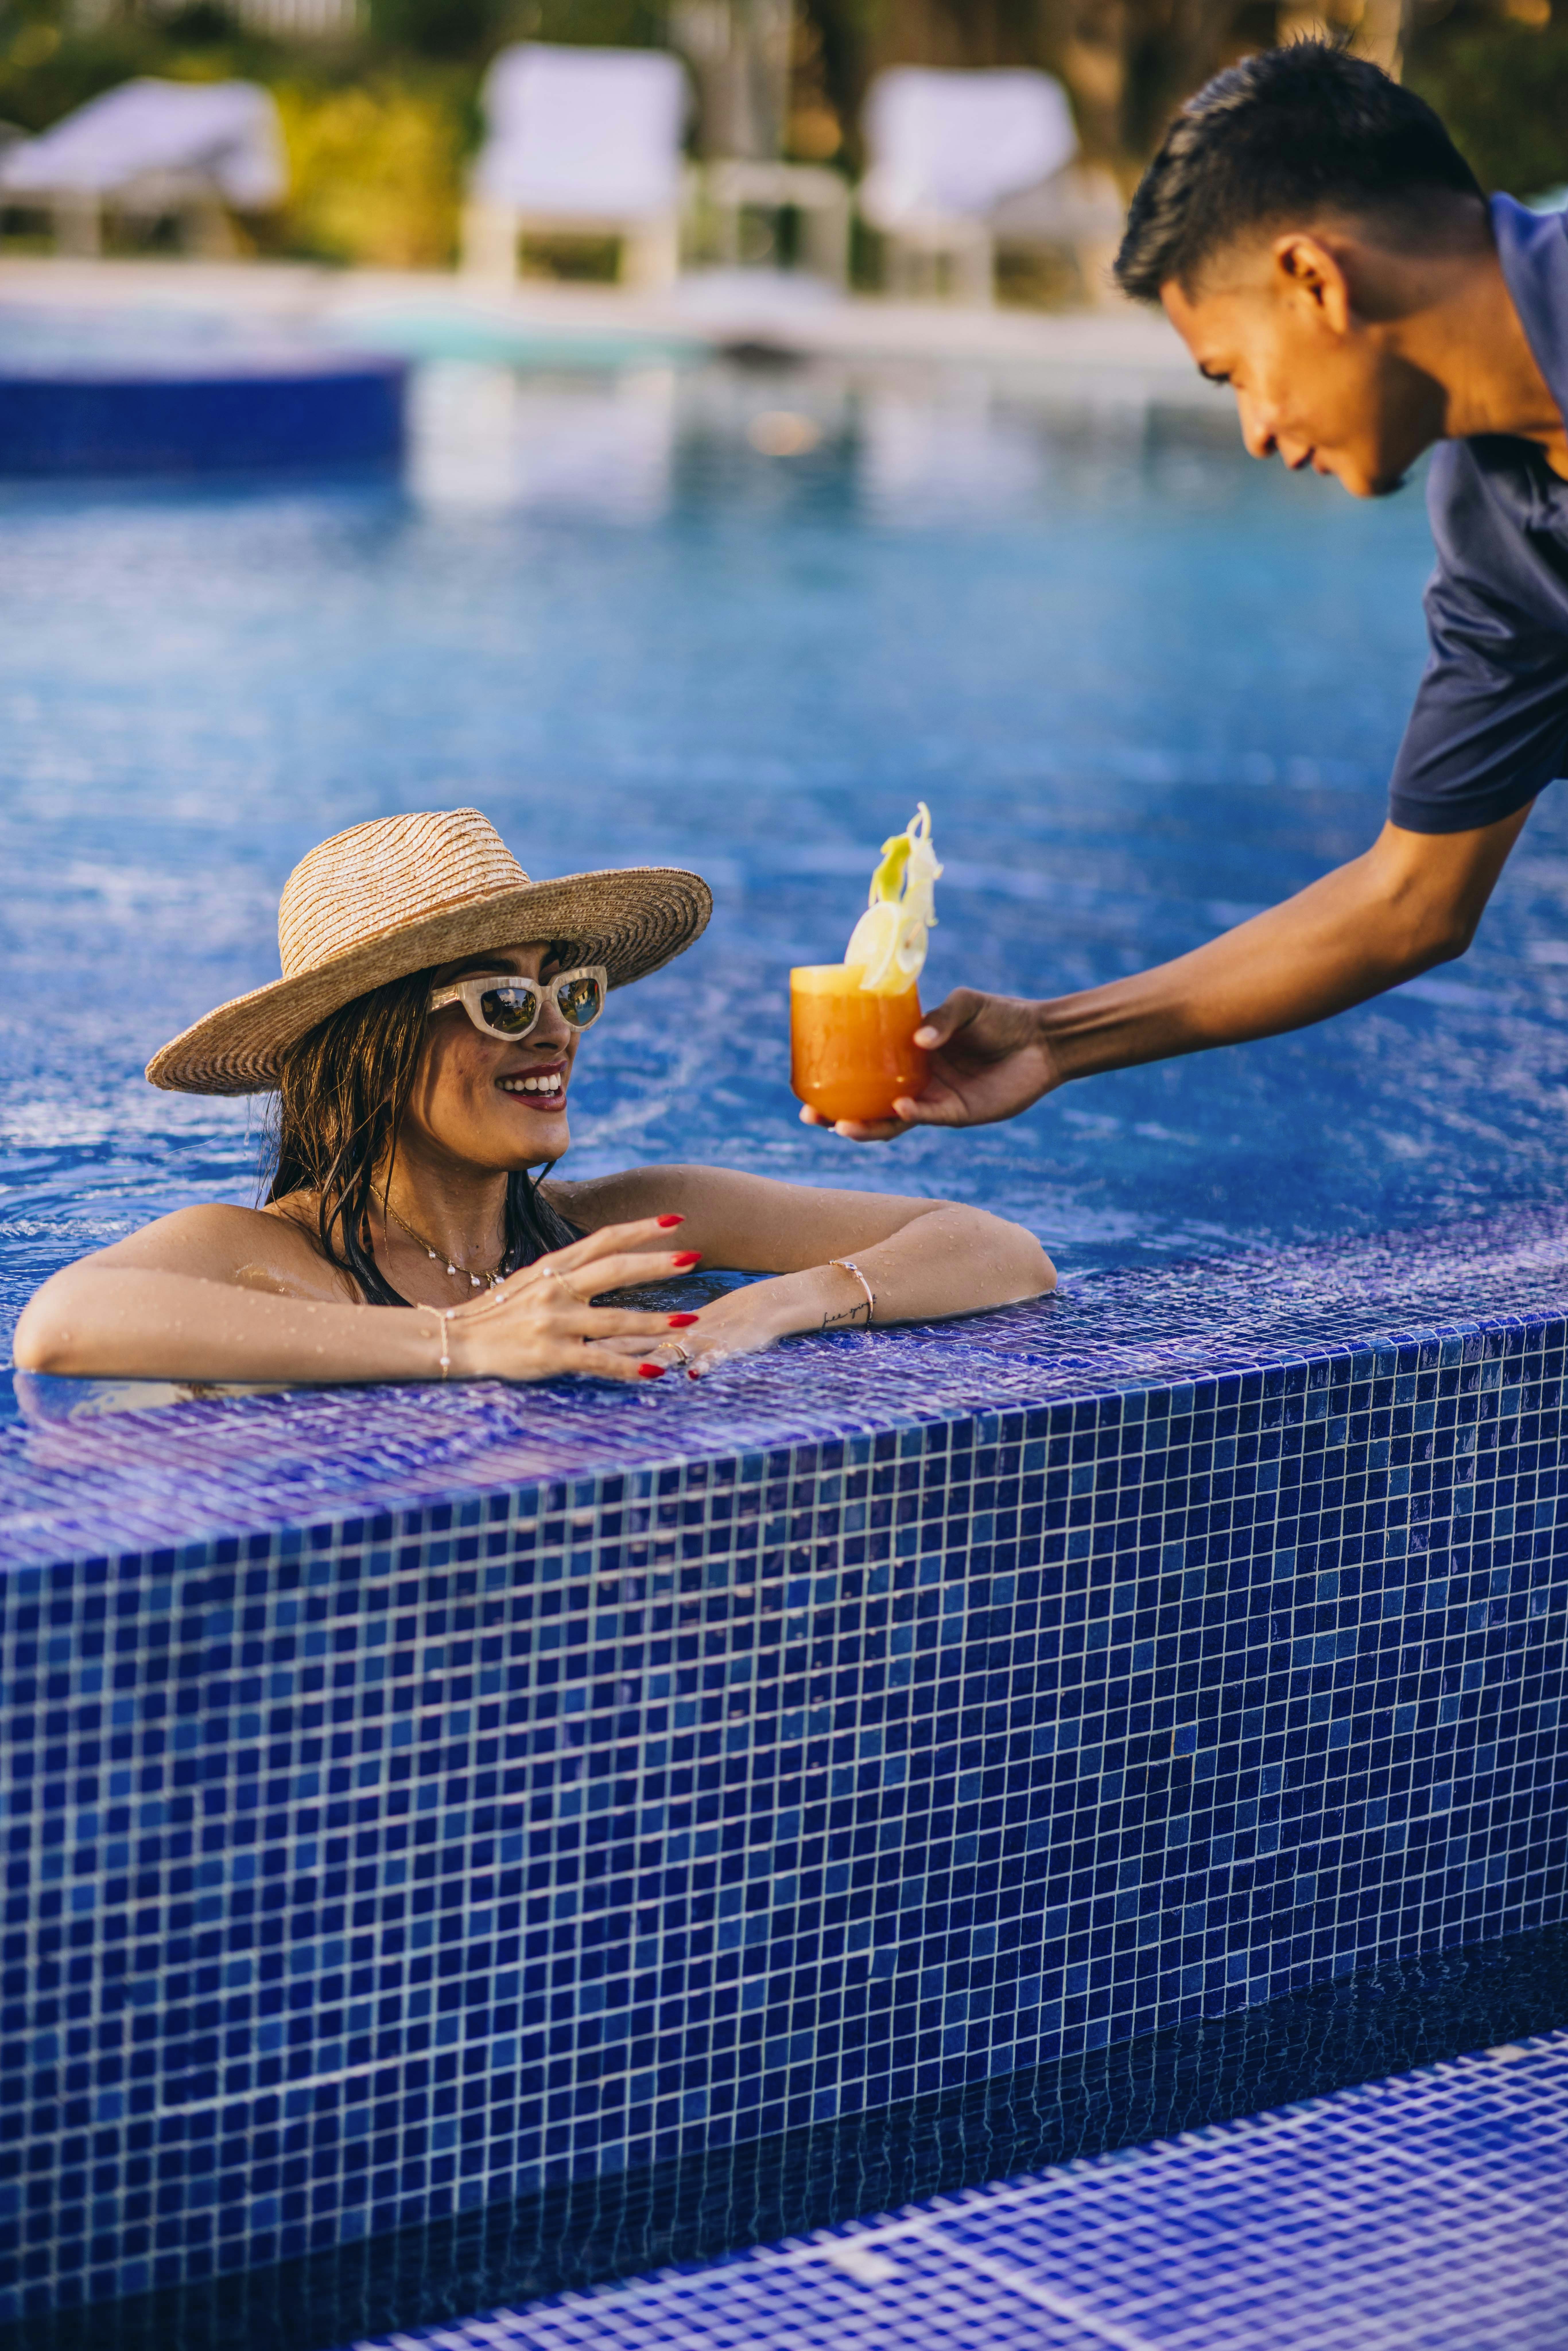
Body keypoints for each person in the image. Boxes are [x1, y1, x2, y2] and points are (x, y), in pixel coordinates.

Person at [804, 42, 1562, 1144]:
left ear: (1316, 280)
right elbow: (1410, 902)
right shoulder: (1500, 531)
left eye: (1235, 373)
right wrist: (1057, 1039)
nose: (1257, 430)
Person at [12, 809, 1052, 1389]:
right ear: (363, 1053)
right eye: (504, 999)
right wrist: (461, 1345)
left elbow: (1002, 1251)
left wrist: (776, 1303)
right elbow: (61, 1322)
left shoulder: (630, 1227)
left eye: (570, 990)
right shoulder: (282, 1263)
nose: (558, 1029)